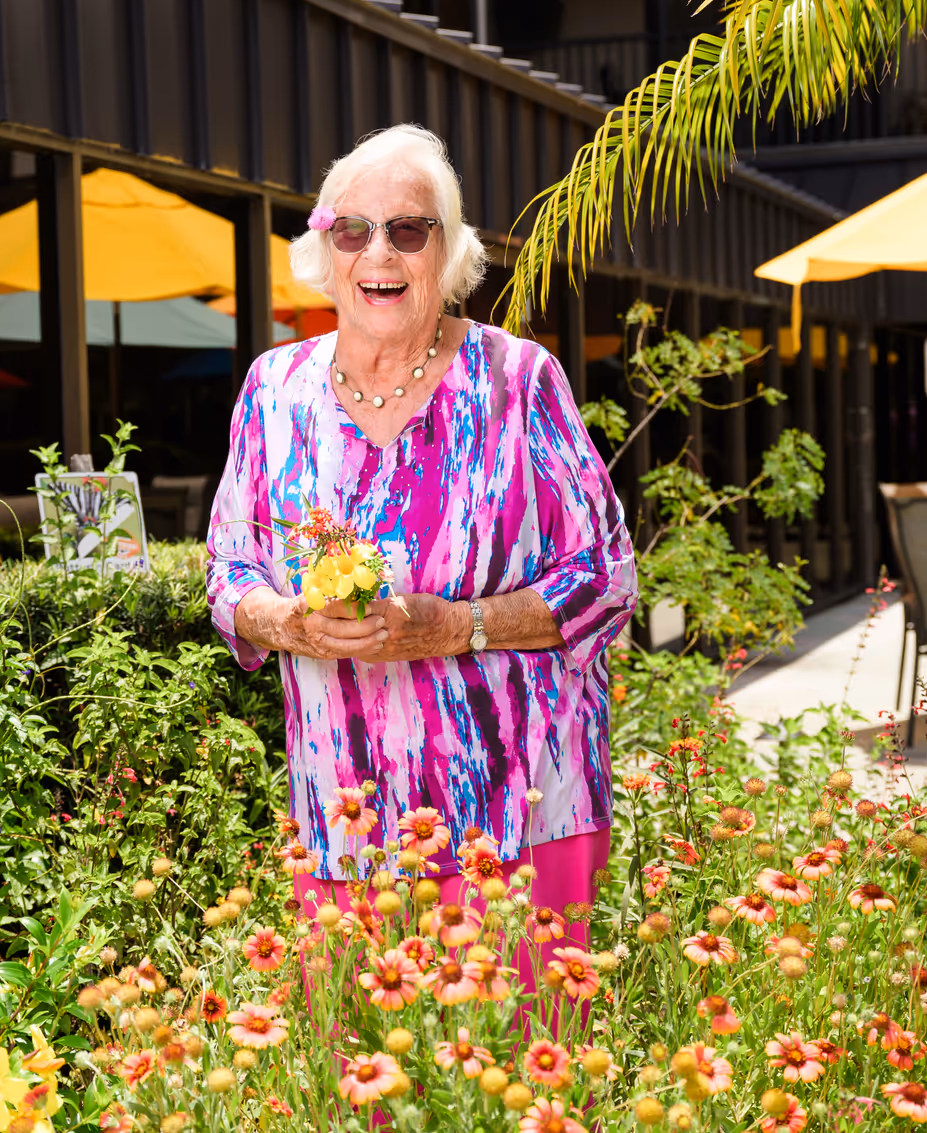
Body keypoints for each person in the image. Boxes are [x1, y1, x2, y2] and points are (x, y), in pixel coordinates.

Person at [205, 123, 637, 973]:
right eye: (354, 230)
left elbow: (607, 577)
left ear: (449, 252)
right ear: (324, 252)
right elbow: (227, 569)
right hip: (346, 814)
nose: (381, 254)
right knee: (367, 1082)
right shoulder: (272, 389)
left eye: (409, 229)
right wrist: (289, 620)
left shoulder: (518, 380)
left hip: (518, 810)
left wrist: (457, 624)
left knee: (518, 1078)